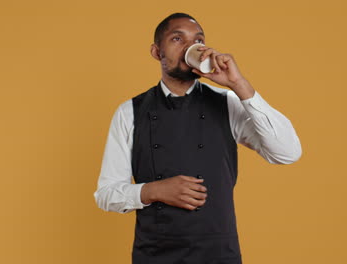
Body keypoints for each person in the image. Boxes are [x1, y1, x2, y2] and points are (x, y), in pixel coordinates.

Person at [94, 12, 302, 264]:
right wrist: (153, 190)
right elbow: (106, 194)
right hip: (156, 254)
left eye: (198, 40)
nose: (190, 47)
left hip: (219, 254)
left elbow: (287, 153)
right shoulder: (130, 112)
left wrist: (239, 84)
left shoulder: (228, 103)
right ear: (156, 52)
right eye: (177, 39)